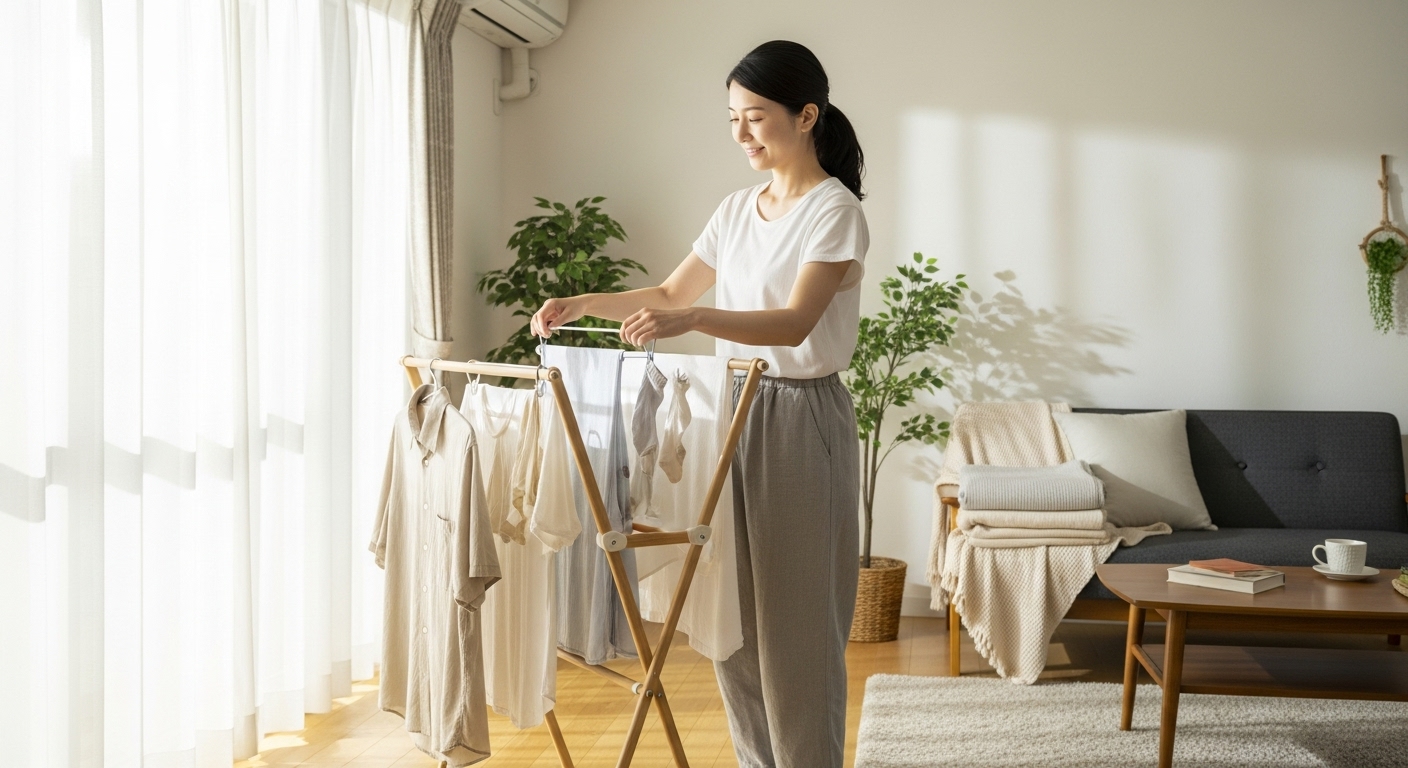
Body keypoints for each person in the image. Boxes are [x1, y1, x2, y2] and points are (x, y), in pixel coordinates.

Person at [530, 40, 868, 768]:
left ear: (806, 116)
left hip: (799, 421)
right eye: (732, 119)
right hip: (729, 414)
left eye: (755, 117)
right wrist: (581, 301)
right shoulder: (736, 209)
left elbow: (794, 323)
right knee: (731, 618)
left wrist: (698, 324)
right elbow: (672, 294)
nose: (742, 134)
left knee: (799, 633)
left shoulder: (834, 212)